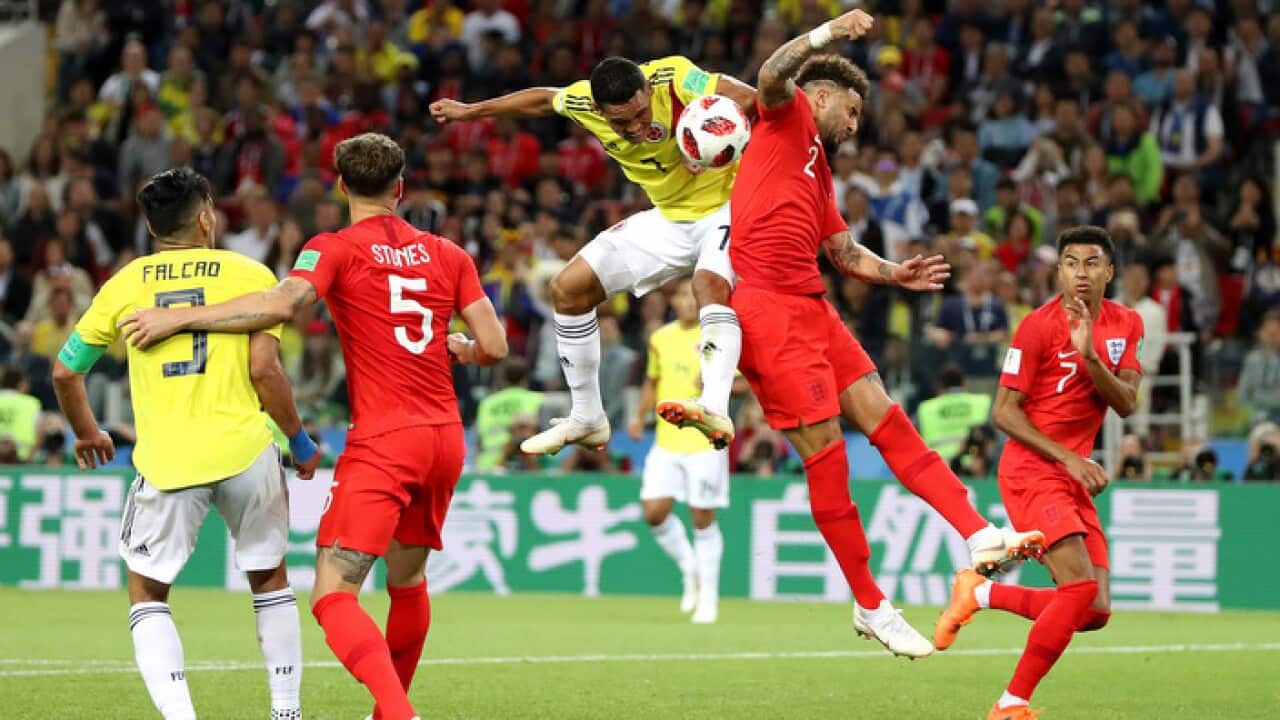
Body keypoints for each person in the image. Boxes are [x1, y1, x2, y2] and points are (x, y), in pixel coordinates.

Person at [118, 134, 507, 720]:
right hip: (445, 437)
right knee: (407, 582)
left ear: (342, 186)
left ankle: (400, 713)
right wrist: (464, 349)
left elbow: (280, 305)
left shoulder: (333, 248)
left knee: (332, 596)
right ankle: (390, 713)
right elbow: (495, 346)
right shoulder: (449, 253)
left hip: (386, 440)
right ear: (400, 188)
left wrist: (180, 318)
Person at [727, 9, 1042, 659]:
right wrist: (826, 34)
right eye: (850, 111)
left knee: (888, 419)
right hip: (768, 311)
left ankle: (977, 530)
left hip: (813, 307)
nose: (854, 125)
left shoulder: (818, 169)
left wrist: (894, 272)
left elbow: (842, 251)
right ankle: (870, 602)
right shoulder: (783, 115)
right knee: (828, 456)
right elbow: (770, 74)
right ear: (820, 97)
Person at [50, 168, 319, 720]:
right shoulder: (250, 273)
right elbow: (265, 371)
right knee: (269, 578)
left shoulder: (125, 284)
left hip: (168, 460)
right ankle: (286, 711)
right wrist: (297, 437)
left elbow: (65, 371)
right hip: (247, 452)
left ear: (152, 228)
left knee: (148, 593)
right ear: (206, 217)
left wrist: (89, 432)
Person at [431, 54, 757, 454]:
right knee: (568, 288)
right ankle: (587, 417)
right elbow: (542, 99)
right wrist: (471, 112)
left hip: (729, 206)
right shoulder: (582, 102)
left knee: (708, 283)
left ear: (648, 91)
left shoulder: (674, 76)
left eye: (641, 114)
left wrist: (700, 142)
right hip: (671, 219)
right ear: (599, 111)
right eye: (622, 123)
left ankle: (714, 405)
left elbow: (750, 99)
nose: (636, 128)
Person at [934, 226, 1144, 720]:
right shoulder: (1036, 326)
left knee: (1094, 610)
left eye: (1092, 263)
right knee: (1078, 589)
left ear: (1109, 272)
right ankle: (1011, 703)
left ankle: (981, 592)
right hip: (1032, 471)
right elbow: (1004, 413)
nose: (1081, 273)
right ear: (1059, 272)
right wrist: (1068, 458)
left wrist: (1089, 356)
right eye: (1070, 263)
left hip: (1073, 477)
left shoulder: (1127, 323)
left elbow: (1127, 403)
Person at [628, 279, 729, 624]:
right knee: (654, 512)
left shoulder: (719, 337)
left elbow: (744, 383)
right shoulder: (660, 338)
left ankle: (709, 599)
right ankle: (690, 567)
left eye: (692, 296)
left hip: (704, 438)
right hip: (666, 440)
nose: (687, 302)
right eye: (682, 296)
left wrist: (717, 382)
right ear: (673, 301)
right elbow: (652, 381)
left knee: (702, 517)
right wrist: (638, 416)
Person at [474, 357, 544, 471]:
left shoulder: (487, 403)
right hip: (529, 465)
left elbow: (478, 438)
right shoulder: (538, 400)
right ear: (526, 378)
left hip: (489, 464)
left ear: (502, 378)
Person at [916, 365, 992, 463]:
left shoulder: (926, 409)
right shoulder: (982, 403)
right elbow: (995, 440)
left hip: (939, 466)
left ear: (940, 386)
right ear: (964, 383)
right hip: (974, 467)